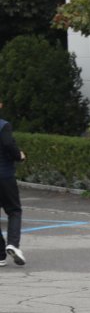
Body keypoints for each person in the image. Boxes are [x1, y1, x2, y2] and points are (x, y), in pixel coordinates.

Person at [0, 97, 25, 266]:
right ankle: (13, 244)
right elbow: (8, 144)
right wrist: (19, 156)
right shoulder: (3, 125)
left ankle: (0, 255)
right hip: (4, 175)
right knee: (14, 210)